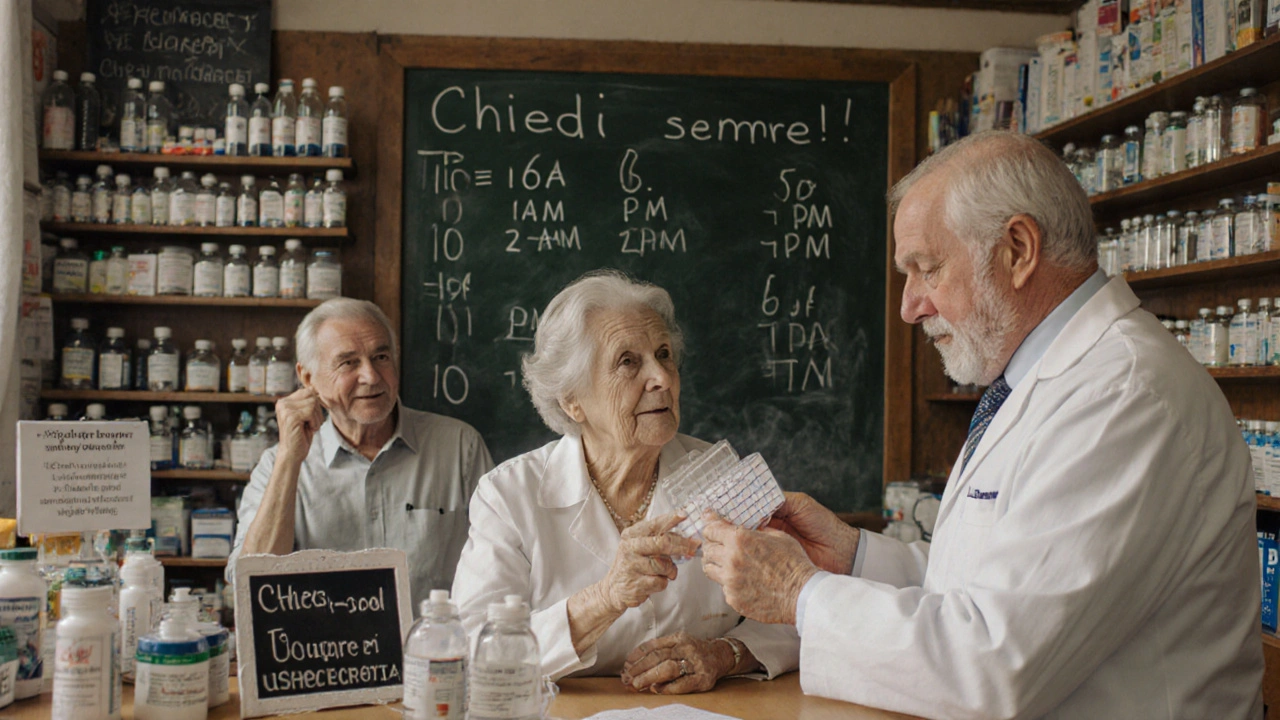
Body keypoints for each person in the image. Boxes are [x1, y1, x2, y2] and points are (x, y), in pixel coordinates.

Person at [698, 131, 1264, 718]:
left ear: (1017, 250)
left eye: (927, 269)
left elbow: (995, 661)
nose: (909, 307)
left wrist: (799, 593)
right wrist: (851, 556)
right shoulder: (1037, 378)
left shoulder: (1124, 397)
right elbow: (985, 584)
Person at [452, 270, 799, 693]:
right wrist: (605, 598)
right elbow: (472, 652)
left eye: (664, 354)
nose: (662, 378)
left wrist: (725, 654)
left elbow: (797, 609)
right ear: (572, 400)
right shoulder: (508, 497)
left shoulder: (723, 475)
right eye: (628, 362)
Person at [227, 298, 494, 608]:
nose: (371, 376)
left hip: (433, 638)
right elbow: (251, 587)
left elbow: (501, 565)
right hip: (322, 639)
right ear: (308, 378)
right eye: (348, 362)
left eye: (381, 357)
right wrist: (289, 460)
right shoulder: (278, 462)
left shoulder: (460, 447)